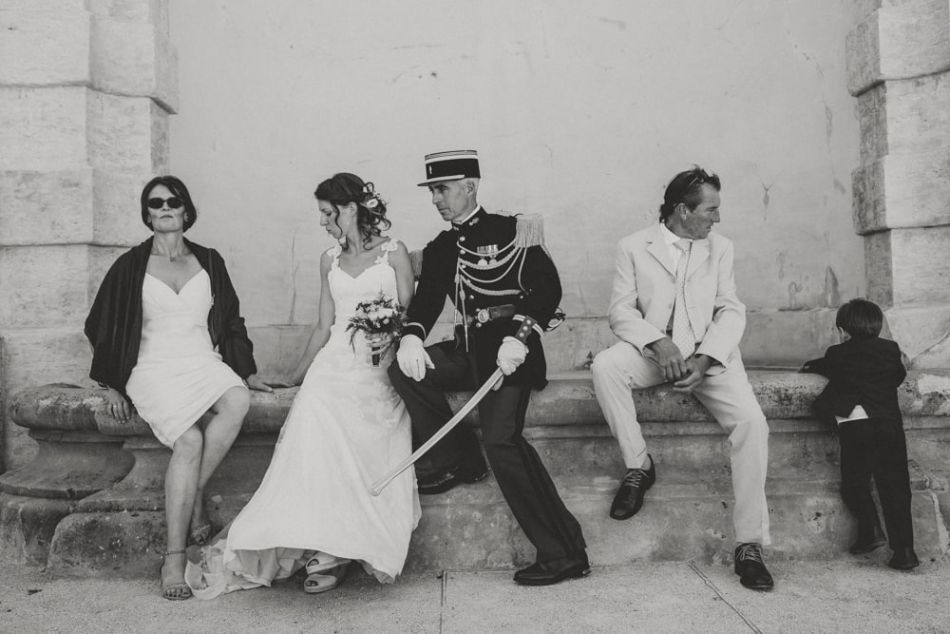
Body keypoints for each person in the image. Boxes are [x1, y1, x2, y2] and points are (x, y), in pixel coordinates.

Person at [184, 173, 420, 598]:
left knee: (363, 431)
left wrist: (393, 335)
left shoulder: (394, 253)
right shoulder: (328, 260)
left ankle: (340, 551)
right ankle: (321, 545)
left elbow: (410, 315)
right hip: (335, 363)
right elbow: (324, 325)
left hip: (379, 365)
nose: (323, 222)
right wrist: (295, 375)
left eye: (327, 213)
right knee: (314, 414)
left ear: (349, 210)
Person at [388, 150, 588, 586]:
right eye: (433, 191)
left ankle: (562, 553)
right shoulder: (442, 247)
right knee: (405, 371)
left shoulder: (512, 230)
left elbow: (547, 289)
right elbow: (427, 300)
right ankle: (459, 457)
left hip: (510, 353)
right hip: (469, 353)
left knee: (503, 442)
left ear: (470, 187)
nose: (437, 199)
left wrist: (521, 335)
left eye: (443, 188)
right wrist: (411, 335)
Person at [84, 175, 271, 601]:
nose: (165, 208)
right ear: (147, 213)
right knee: (188, 440)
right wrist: (112, 382)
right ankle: (174, 556)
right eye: (156, 203)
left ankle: (195, 492)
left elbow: (231, 321)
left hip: (202, 361)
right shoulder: (130, 265)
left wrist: (247, 370)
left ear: (186, 209)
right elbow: (101, 325)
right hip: (151, 368)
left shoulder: (208, 259)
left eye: (173, 201)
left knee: (238, 398)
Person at [591, 166, 774, 591]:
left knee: (753, 424)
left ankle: (749, 545)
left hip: (711, 356)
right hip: (656, 353)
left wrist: (707, 358)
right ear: (682, 210)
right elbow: (621, 311)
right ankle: (639, 467)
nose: (717, 218)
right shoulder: (634, 247)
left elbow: (730, 309)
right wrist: (658, 343)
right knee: (605, 367)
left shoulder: (721, 247)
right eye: (711, 209)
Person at [801, 299, 918, 570]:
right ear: (876, 326)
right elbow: (898, 375)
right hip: (889, 425)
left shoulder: (838, 353)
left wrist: (810, 366)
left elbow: (827, 367)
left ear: (843, 330)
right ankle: (905, 551)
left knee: (854, 484)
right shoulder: (890, 349)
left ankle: (871, 530)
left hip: (858, 425)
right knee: (896, 489)